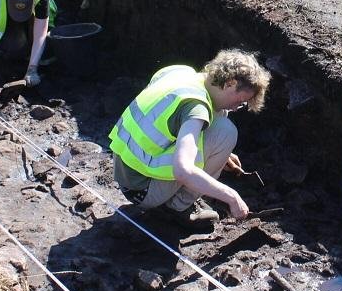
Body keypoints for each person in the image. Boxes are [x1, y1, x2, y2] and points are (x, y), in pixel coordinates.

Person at [109, 50, 270, 232]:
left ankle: (171, 199)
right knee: (226, 132)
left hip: (127, 169)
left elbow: (162, 123)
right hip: (142, 190)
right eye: (240, 101)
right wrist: (232, 197)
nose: (236, 107)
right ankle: (178, 207)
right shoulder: (195, 108)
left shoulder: (180, 73)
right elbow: (183, 170)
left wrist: (218, 153)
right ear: (230, 83)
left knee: (220, 116)